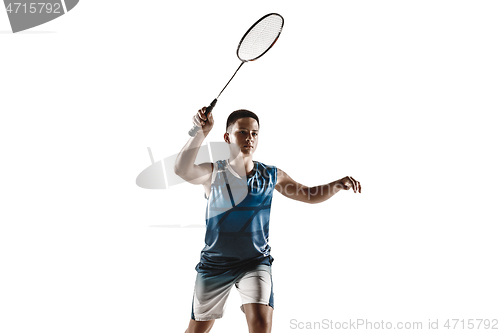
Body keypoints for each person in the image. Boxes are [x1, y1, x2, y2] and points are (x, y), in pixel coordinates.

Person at [174, 106, 361, 333]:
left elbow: (308, 195)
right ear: (227, 137)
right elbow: (182, 169)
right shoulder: (213, 173)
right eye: (242, 132)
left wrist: (336, 185)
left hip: (255, 262)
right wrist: (201, 132)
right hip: (215, 264)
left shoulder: (271, 176)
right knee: (196, 330)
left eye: (254, 133)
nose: (249, 138)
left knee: (262, 325)